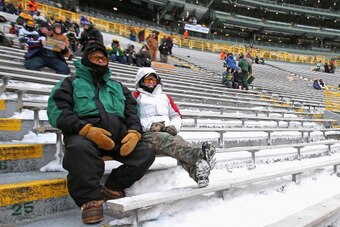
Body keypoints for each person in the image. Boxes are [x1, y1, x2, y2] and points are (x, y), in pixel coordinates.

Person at [47, 42, 155, 224]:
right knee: (79, 150)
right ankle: (90, 201)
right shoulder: (70, 83)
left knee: (146, 153)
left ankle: (113, 187)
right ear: (86, 59)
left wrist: (134, 132)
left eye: (103, 58)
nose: (99, 60)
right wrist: (85, 129)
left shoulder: (118, 86)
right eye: (95, 57)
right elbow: (57, 111)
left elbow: (132, 112)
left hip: (118, 137)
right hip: (85, 135)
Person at [133, 67, 216, 188]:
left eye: (154, 80)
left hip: (167, 132)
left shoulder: (165, 97)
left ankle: (199, 175)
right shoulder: (135, 97)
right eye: (148, 79)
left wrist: (173, 127)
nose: (151, 82)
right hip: (147, 135)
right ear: (141, 81)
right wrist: (150, 126)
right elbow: (132, 117)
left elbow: (176, 115)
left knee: (180, 143)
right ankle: (201, 156)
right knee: (169, 141)